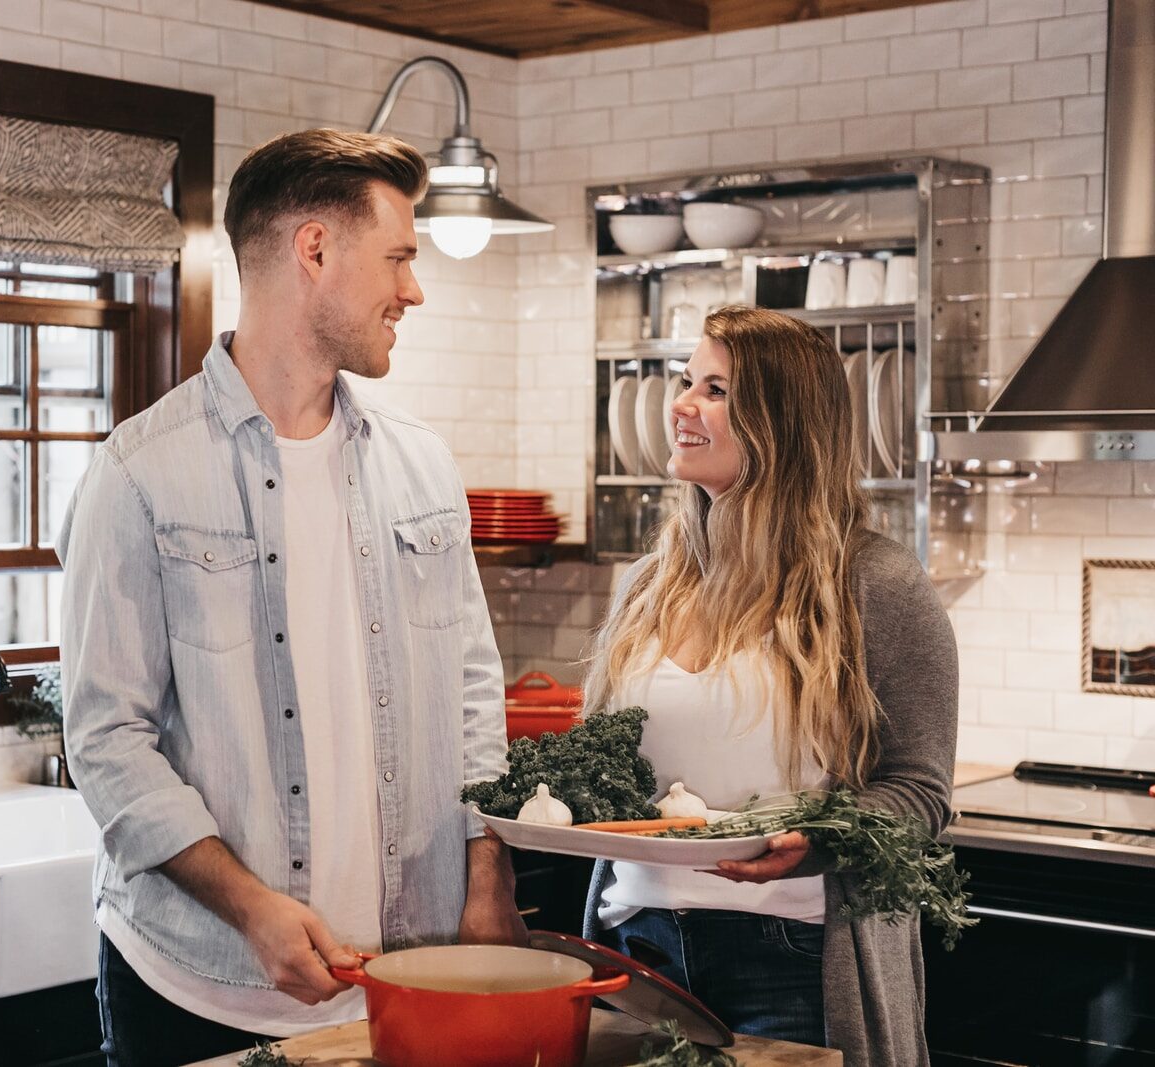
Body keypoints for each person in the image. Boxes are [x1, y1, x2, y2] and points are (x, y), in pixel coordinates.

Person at [56, 128, 525, 1067]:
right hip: (201, 988)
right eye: (398, 257)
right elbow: (106, 739)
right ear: (315, 249)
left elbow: (474, 689)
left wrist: (487, 868)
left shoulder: (421, 464)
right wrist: (253, 909)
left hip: (405, 979)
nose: (414, 289)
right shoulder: (139, 476)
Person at [580, 306, 957, 1067]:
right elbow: (607, 772)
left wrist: (818, 840)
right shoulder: (649, 584)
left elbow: (920, 789)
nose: (681, 404)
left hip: (792, 956)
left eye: (715, 390)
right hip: (635, 943)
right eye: (687, 381)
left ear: (783, 422)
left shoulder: (877, 585)